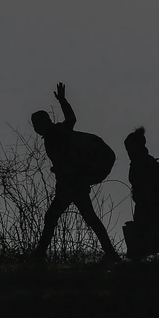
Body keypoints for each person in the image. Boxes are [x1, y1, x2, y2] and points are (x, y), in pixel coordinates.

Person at [30, 82, 120, 261]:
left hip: (73, 185)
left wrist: (63, 101)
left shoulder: (58, 132)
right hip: (71, 184)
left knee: (55, 217)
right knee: (88, 218)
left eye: (37, 124)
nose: (35, 128)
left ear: (43, 123)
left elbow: (71, 120)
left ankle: (39, 255)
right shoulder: (52, 136)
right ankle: (111, 253)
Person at [122, 127, 159, 261]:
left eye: (129, 148)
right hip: (150, 206)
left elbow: (146, 188)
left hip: (148, 207)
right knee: (152, 237)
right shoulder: (145, 161)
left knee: (153, 238)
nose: (127, 152)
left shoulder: (142, 164)